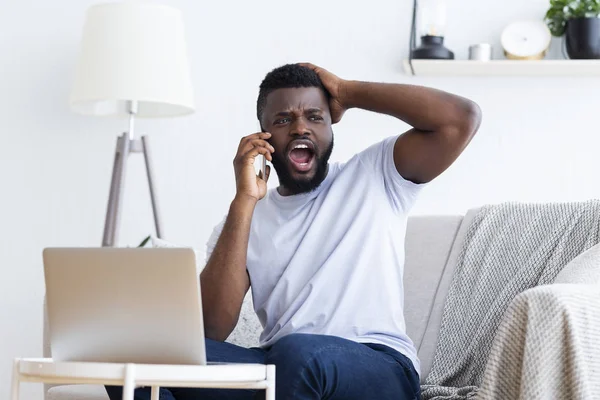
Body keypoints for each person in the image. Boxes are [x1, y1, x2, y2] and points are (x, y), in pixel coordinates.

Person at [106, 63, 481, 400]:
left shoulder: (376, 176)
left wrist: (346, 91)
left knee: (297, 355)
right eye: (283, 120)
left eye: (315, 117)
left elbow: (460, 119)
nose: (300, 126)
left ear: (330, 128)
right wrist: (243, 200)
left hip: (379, 366)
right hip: (281, 370)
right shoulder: (243, 219)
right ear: (264, 138)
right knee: (129, 356)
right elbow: (209, 330)